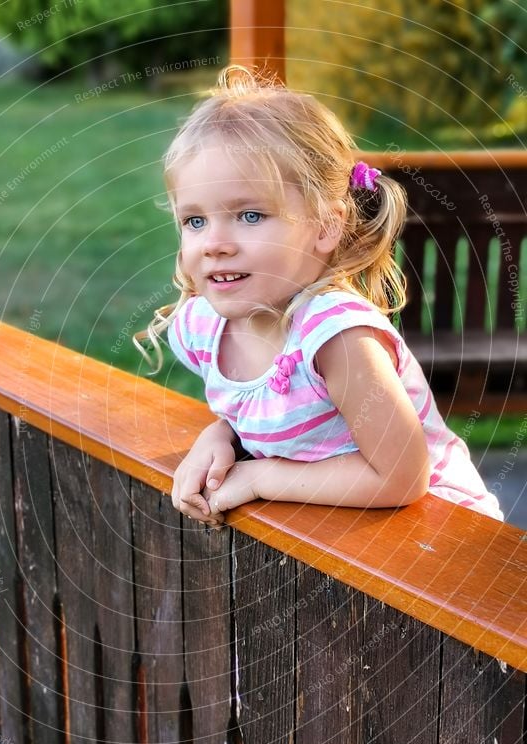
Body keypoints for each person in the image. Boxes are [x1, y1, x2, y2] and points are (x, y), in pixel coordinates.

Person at [135, 65, 503, 526]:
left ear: (326, 226)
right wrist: (222, 435)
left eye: (249, 215)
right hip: (347, 538)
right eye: (195, 221)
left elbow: (403, 478)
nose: (214, 243)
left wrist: (258, 477)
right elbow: (266, 412)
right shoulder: (205, 326)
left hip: (441, 543)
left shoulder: (337, 337)